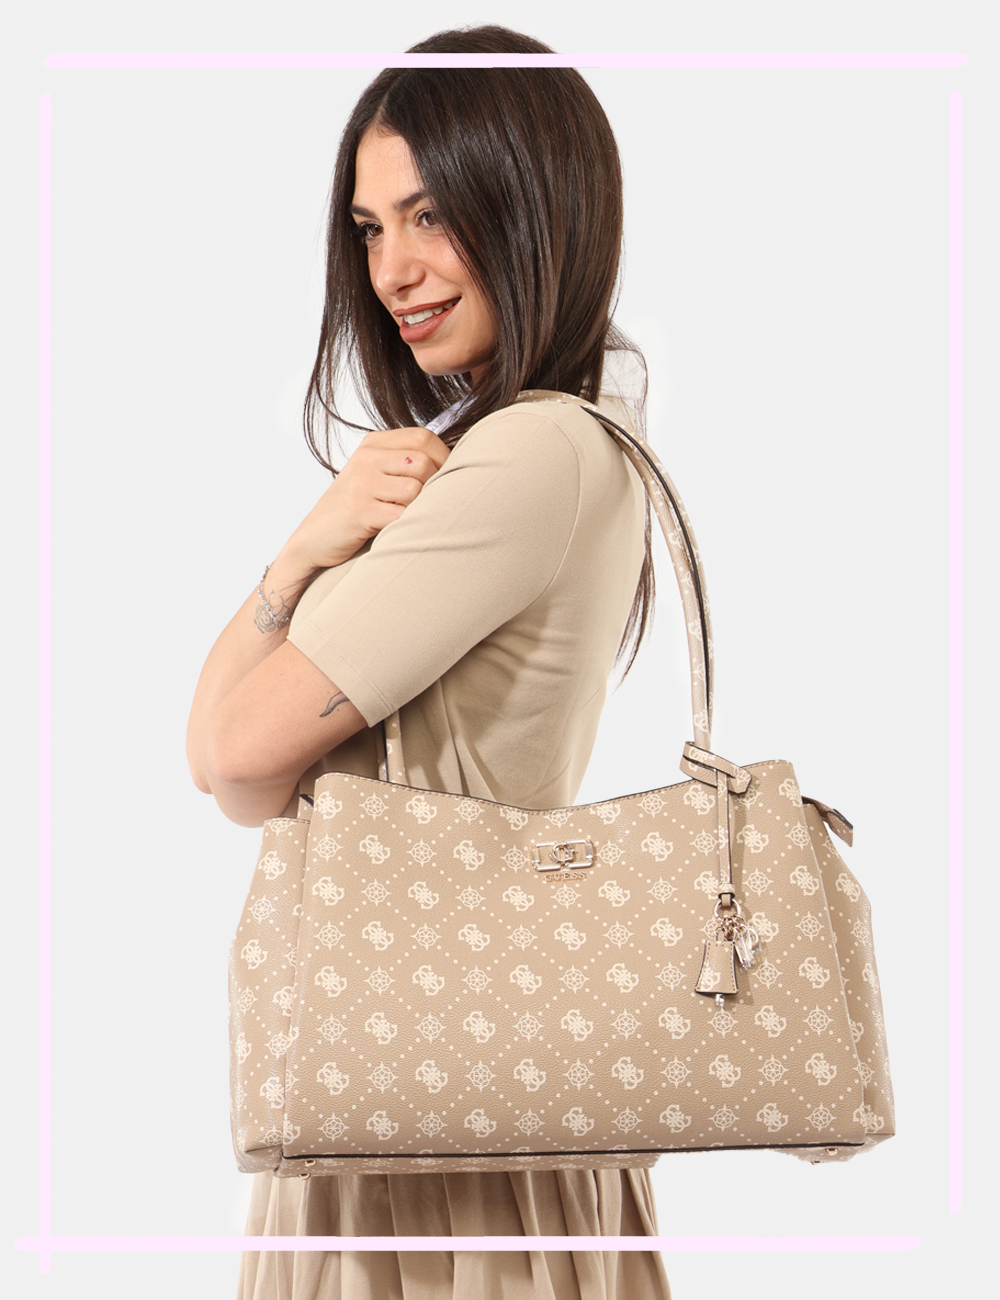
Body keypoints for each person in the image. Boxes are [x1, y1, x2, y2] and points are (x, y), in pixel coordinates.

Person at [186, 23, 671, 1300]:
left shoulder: (532, 452)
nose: (392, 270)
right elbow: (220, 768)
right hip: (414, 1063)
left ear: (535, 204)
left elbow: (236, 752)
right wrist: (307, 547)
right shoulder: (513, 447)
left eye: (431, 216)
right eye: (367, 228)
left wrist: (307, 561)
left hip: (442, 1093)